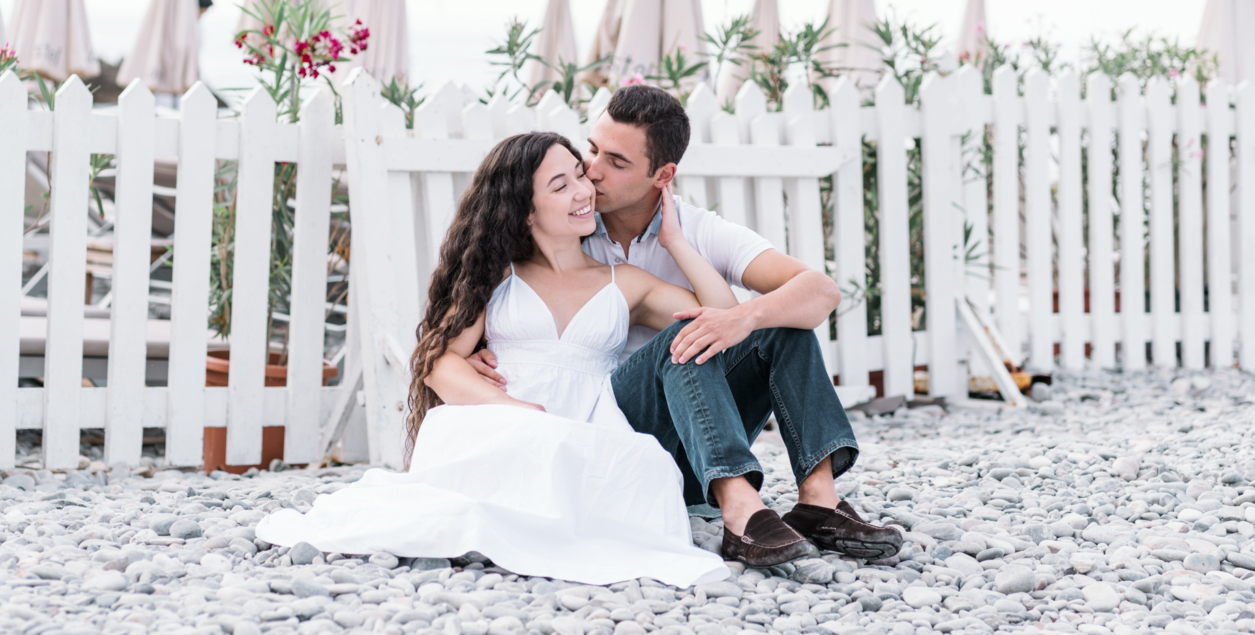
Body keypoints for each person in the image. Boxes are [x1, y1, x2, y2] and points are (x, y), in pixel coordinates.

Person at [258, 132, 739, 586]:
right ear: (525, 212)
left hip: (588, 420)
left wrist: (676, 241)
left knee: (643, 464)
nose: (583, 190)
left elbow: (721, 318)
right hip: (501, 413)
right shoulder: (499, 276)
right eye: (561, 184)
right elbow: (439, 363)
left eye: (579, 173)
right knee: (508, 469)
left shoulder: (624, 282)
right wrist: (510, 409)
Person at [466, 85, 904, 566]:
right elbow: (502, 300)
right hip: (615, 429)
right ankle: (739, 509)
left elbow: (821, 291)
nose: (591, 172)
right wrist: (476, 353)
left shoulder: (698, 230)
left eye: (616, 161)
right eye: (592, 149)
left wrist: (739, 312)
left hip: (698, 442)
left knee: (780, 325)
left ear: (663, 175)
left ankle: (818, 500)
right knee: (690, 333)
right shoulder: (570, 223)